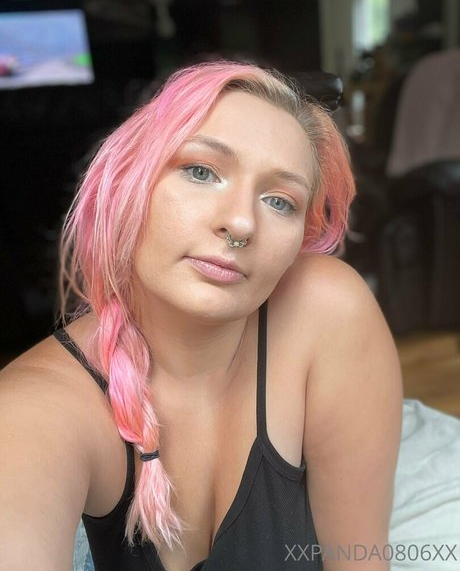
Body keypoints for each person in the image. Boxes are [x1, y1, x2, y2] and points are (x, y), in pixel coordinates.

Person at [0, 61, 403, 571]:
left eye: (280, 201)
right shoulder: (32, 412)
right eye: (200, 172)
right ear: (126, 182)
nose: (240, 223)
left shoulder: (325, 309)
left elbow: (360, 560)